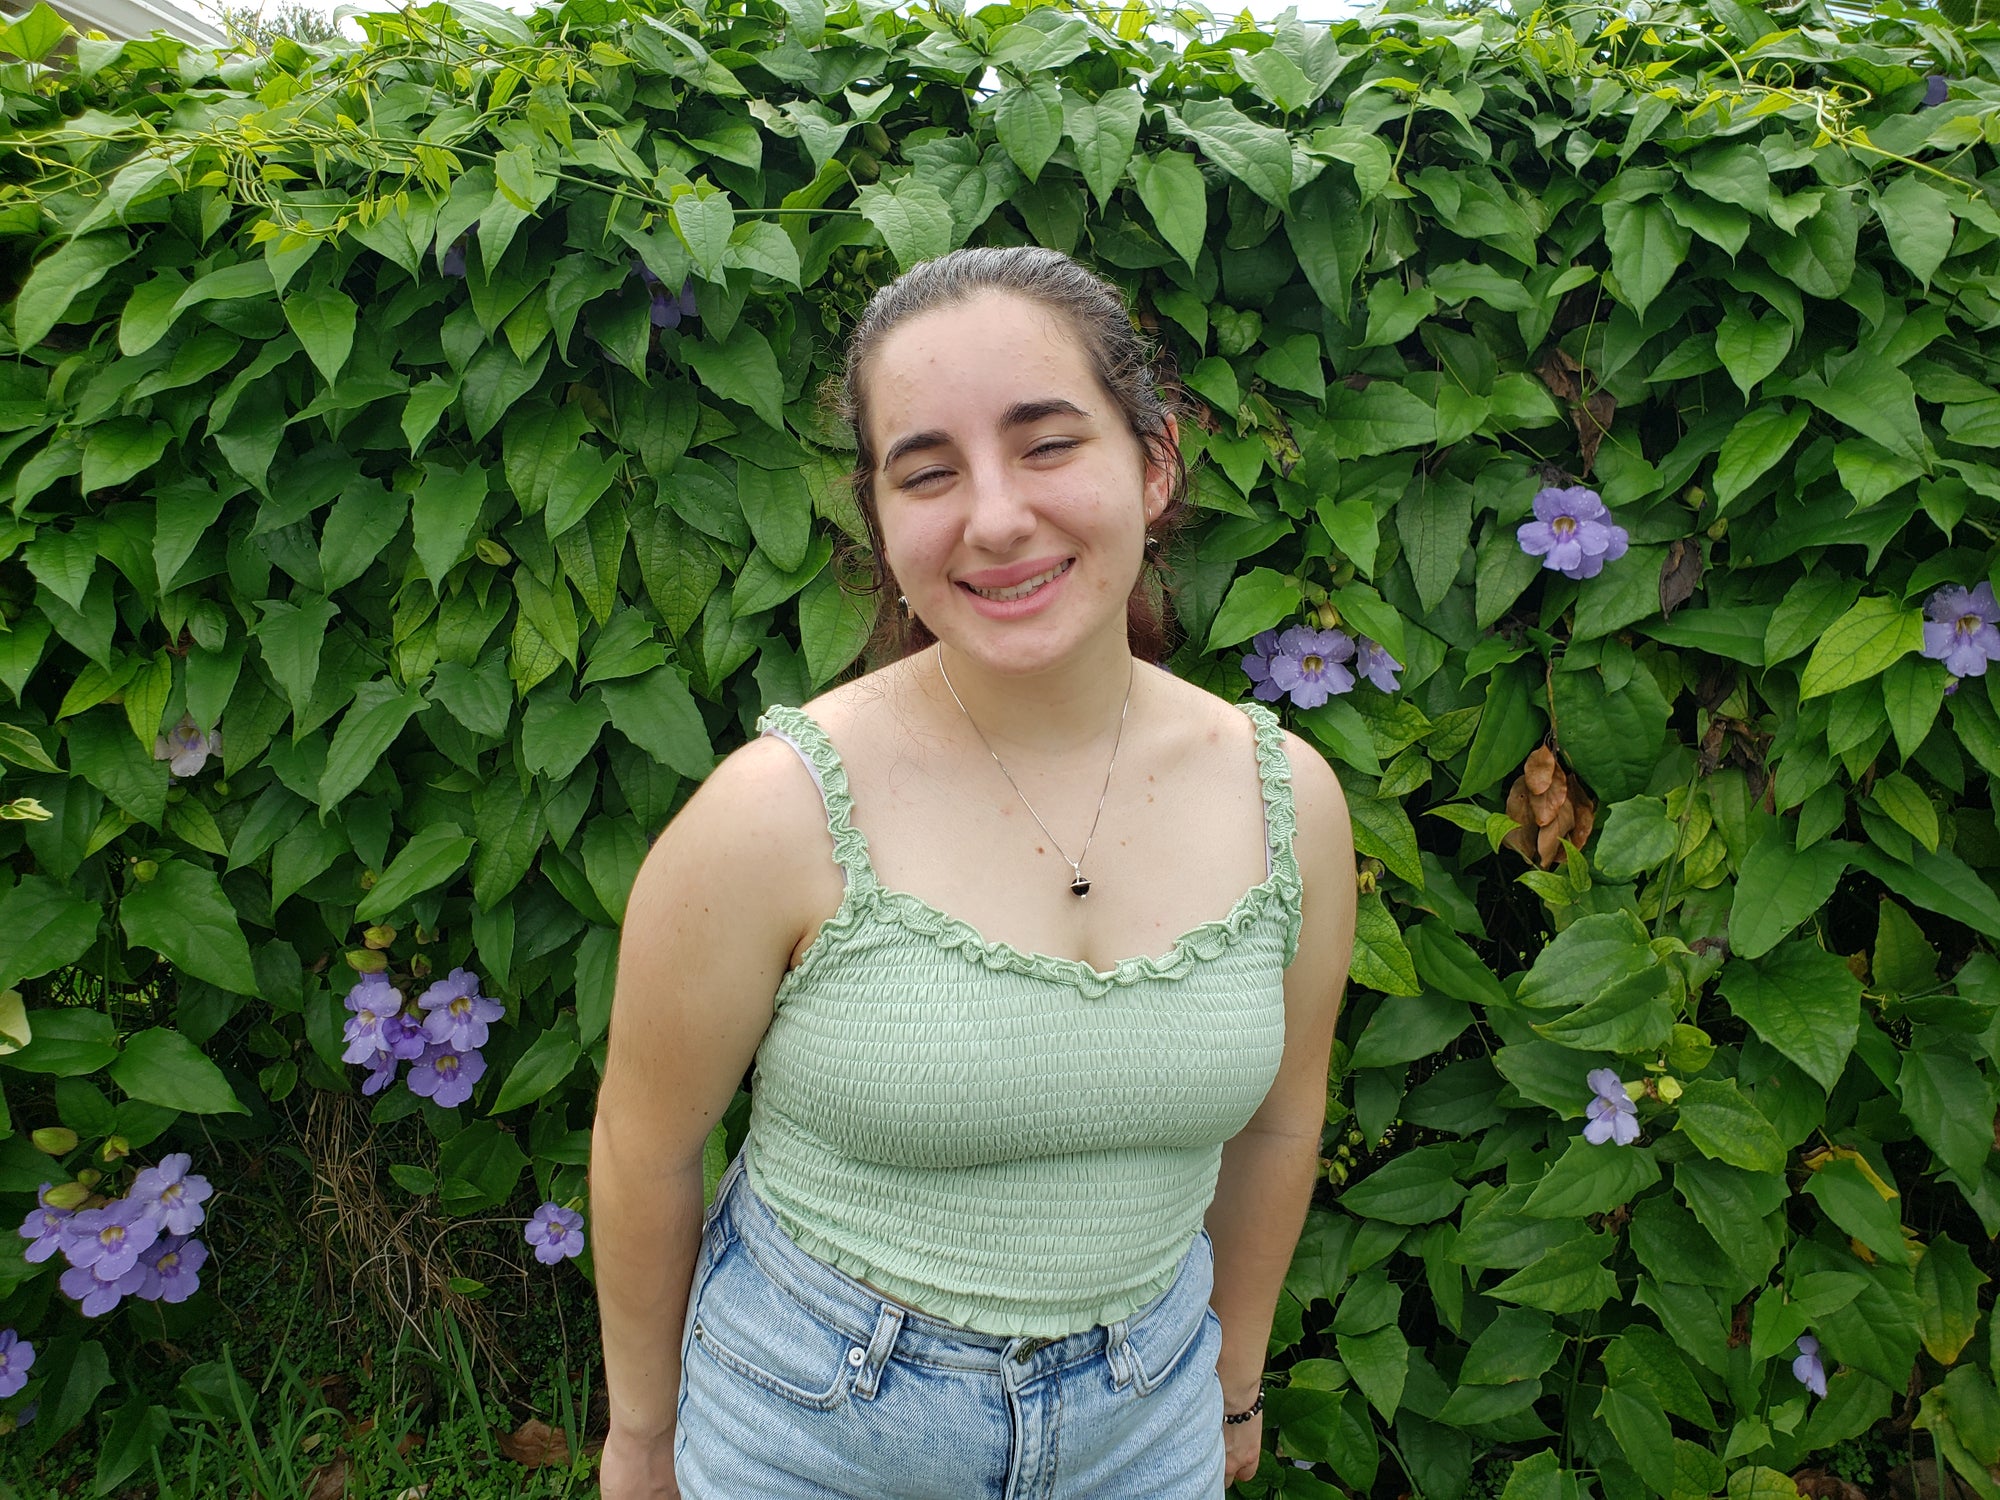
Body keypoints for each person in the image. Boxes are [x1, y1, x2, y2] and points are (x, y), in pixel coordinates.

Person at [591, 246, 1356, 1500]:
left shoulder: (1287, 806)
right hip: (810, 1424)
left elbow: (1280, 1122)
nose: (993, 516)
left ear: (1153, 462)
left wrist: (1233, 1384)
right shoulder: (772, 816)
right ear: (878, 517)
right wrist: (639, 1441)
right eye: (926, 471)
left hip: (1145, 1420)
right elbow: (646, 1146)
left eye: (1047, 443)